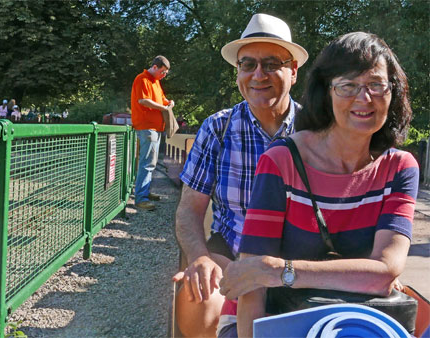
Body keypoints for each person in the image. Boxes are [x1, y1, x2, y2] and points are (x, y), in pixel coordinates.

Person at [217, 31, 418, 337]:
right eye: (348, 85)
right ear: (326, 92)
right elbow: (252, 286)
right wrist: (362, 274)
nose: (364, 99)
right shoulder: (282, 161)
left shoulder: (400, 168)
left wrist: (278, 270)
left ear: (393, 92)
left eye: (376, 85)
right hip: (270, 319)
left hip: (353, 321)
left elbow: (385, 272)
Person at [172, 13, 308, 337]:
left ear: (293, 70)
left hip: (298, 265)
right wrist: (199, 257)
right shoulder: (217, 128)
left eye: (271, 64)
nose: (258, 75)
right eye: (248, 65)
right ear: (238, 73)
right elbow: (189, 211)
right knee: (196, 296)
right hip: (230, 255)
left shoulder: (315, 131)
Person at [131, 55, 174, 211]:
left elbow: (161, 99)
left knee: (151, 163)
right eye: (162, 72)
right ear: (155, 67)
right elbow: (143, 101)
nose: (163, 76)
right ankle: (141, 198)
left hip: (155, 128)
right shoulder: (142, 79)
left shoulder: (156, 82)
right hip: (146, 127)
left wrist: (169, 102)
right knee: (147, 163)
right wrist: (163, 108)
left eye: (165, 74)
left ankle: (145, 193)